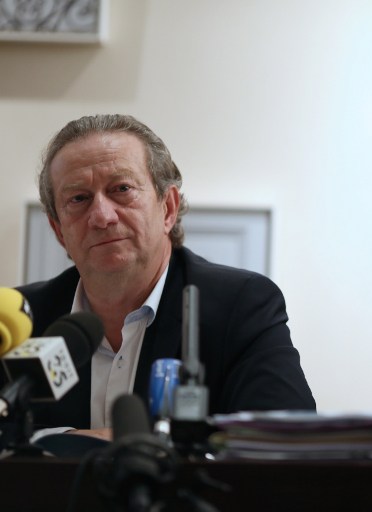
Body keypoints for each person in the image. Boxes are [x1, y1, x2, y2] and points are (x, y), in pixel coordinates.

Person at [15, 114, 315, 440]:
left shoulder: (240, 305)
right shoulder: (21, 319)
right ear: (59, 230)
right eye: (78, 199)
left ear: (168, 208)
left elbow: (285, 440)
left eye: (122, 189)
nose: (101, 216)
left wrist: (65, 441)